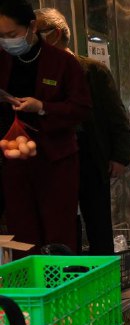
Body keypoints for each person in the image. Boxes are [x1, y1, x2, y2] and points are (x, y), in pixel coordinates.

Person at [35, 7, 130, 255]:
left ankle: (104, 281)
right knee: (63, 224)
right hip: (52, 161)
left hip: (91, 157)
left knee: (98, 223)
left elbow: (116, 116)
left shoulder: (91, 70)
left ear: (55, 34)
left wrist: (120, 157)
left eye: (35, 33)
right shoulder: (35, 71)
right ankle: (70, 275)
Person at [0, 0, 90, 255]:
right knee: (21, 230)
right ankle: (30, 290)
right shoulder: (2, 60)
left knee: (59, 230)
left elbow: (81, 108)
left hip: (56, 160)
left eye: (12, 35)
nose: (7, 41)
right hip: (13, 159)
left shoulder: (62, 62)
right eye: (1, 36)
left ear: (31, 27)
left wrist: (42, 106)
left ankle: (62, 287)